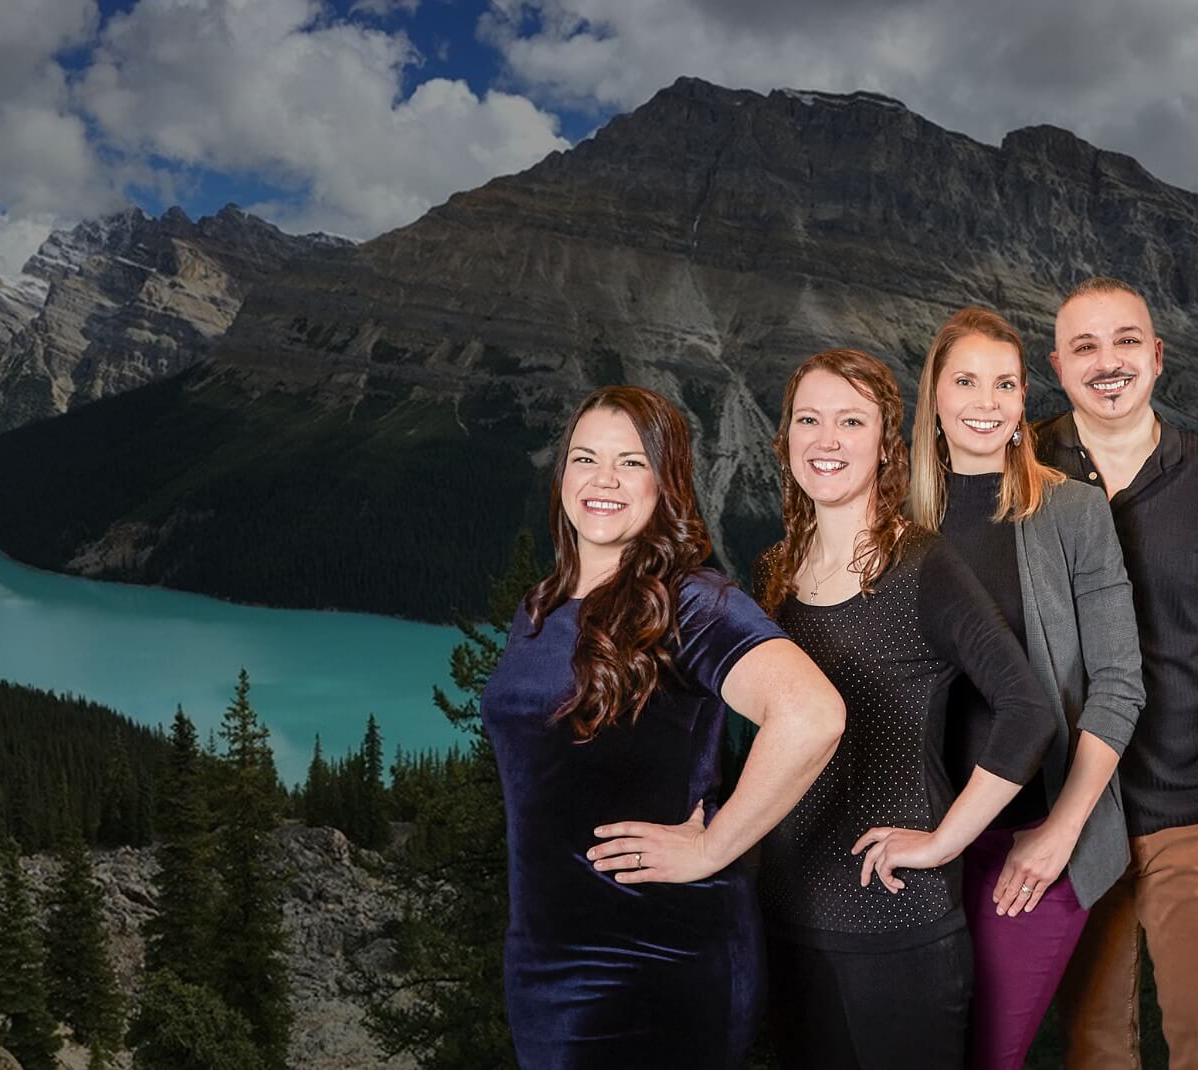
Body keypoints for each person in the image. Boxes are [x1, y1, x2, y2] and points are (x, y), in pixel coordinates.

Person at [482, 385, 846, 1069]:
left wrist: (713, 848)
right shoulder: (541, 604)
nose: (603, 481)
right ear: (561, 475)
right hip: (543, 955)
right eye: (585, 459)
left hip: (658, 954)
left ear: (666, 482)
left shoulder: (691, 601)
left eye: (631, 462)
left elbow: (813, 714)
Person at [751, 347, 1056, 1069]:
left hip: (896, 923)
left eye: (851, 422)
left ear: (885, 444)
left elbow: (1027, 710)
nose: (827, 440)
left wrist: (945, 841)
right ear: (786, 438)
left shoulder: (924, 565)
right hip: (787, 916)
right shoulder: (775, 571)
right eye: (809, 420)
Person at [1040, 278, 1198, 1070]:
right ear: (1057, 366)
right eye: (1085, 346)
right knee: (1091, 1049)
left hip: (1197, 816)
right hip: (1067, 821)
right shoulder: (1021, 471)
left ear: (1156, 357)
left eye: (1125, 342)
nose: (1107, 361)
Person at [906, 307, 1145, 1070]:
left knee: (990, 1053)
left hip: (1037, 842)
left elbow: (1119, 686)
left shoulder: (1072, 510)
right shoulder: (896, 521)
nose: (986, 400)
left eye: (1005, 383)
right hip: (923, 840)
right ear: (934, 399)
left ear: (1021, 401)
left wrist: (1062, 833)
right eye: (966, 381)